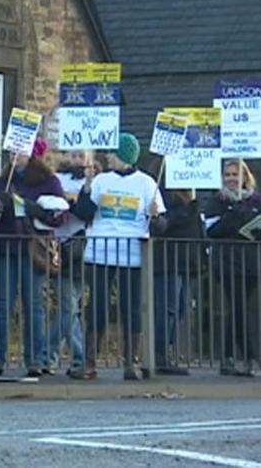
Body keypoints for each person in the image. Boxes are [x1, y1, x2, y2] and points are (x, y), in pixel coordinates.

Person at [72, 132, 164, 380]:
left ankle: (130, 362)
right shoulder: (101, 180)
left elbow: (161, 225)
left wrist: (156, 215)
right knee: (98, 307)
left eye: (113, 153)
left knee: (131, 308)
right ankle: (90, 362)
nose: (108, 157)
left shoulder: (146, 184)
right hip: (100, 253)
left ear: (123, 156)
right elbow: (83, 213)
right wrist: (87, 188)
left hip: (132, 255)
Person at [0, 137, 66, 377]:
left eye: (20, 151)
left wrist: (34, 208)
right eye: (12, 151)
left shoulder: (47, 181)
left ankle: (35, 359)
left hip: (33, 249)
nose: (15, 156)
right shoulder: (3, 181)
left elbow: (59, 216)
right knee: (2, 305)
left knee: (34, 306)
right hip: (6, 246)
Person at [203, 160, 261, 377]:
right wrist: (233, 214)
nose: (231, 178)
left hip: (251, 264)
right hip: (226, 262)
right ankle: (244, 355)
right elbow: (212, 231)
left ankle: (231, 357)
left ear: (245, 177)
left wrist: (260, 231)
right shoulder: (217, 201)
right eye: (228, 174)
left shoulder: (256, 201)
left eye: (235, 174)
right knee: (239, 305)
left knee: (239, 308)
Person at [47, 149, 94, 376]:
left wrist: (80, 196)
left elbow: (87, 213)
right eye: (74, 155)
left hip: (80, 248)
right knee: (69, 307)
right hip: (60, 248)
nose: (77, 160)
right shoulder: (57, 178)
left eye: (81, 156)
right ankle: (76, 357)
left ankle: (49, 353)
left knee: (71, 307)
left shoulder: (93, 182)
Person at [151, 188, 204, 376]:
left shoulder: (192, 200)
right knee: (169, 307)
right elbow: (166, 223)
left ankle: (167, 350)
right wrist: (190, 210)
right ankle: (160, 353)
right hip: (167, 260)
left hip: (186, 262)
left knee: (180, 308)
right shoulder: (164, 196)